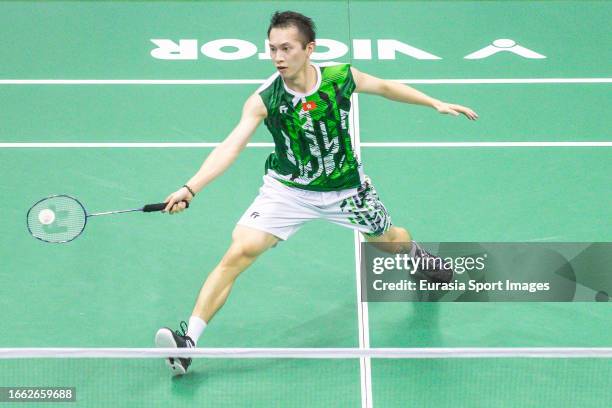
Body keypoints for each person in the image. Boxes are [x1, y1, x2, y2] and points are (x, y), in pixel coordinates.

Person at [155, 10, 478, 375]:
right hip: (288, 190)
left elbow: (386, 87)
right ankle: (188, 343)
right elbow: (231, 146)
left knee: (389, 241)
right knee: (240, 250)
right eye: (272, 49)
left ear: (310, 49)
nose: (278, 57)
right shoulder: (265, 99)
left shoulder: (340, 78)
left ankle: (418, 258)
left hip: (346, 190)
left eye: (286, 48)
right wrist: (190, 188)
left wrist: (433, 102)